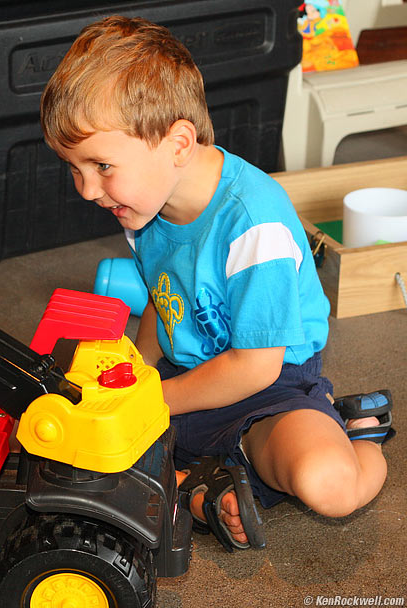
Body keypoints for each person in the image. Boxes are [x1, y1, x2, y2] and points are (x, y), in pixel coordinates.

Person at [40, 15, 394, 550]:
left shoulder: (255, 223)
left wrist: (152, 402)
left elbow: (255, 367)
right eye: (74, 168)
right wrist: (134, 373)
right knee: (82, 454)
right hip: (192, 380)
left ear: (179, 144)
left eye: (102, 165)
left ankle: (357, 436)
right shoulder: (140, 204)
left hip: (268, 387)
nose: (88, 189)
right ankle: (209, 489)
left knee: (327, 485)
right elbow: (163, 302)